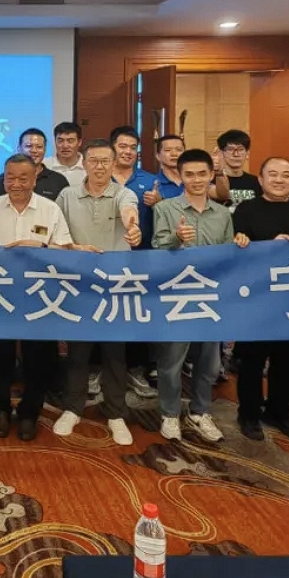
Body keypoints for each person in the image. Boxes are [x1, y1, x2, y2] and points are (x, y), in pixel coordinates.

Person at [0, 154, 74, 441]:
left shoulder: (50, 210)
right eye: (10, 178)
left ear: (35, 178)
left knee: (38, 357)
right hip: (1, 293)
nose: (15, 184)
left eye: (22, 178)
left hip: (39, 293)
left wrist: (39, 246)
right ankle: (0, 410)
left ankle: (30, 413)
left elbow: (65, 249)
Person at [151, 149, 249, 444]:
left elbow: (226, 254)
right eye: (189, 174)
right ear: (180, 176)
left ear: (210, 176)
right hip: (177, 294)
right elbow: (157, 248)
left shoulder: (222, 213)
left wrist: (239, 242)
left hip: (210, 295)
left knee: (210, 363)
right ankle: (169, 414)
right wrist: (176, 239)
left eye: (202, 174)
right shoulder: (165, 208)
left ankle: (200, 411)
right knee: (171, 361)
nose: (196, 180)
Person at [53, 139, 142, 445]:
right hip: (79, 284)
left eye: (106, 161)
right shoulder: (67, 195)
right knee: (77, 352)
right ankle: (73, 408)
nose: (100, 166)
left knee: (114, 353)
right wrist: (74, 247)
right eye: (94, 160)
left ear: (114, 163)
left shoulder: (124, 193)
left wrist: (133, 228)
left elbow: (129, 212)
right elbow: (57, 235)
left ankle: (116, 413)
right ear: (85, 163)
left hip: (115, 285)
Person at [231, 157, 289, 442]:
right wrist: (268, 247)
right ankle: (248, 414)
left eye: (286, 175)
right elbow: (237, 245)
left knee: (287, 361)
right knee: (252, 361)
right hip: (257, 298)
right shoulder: (246, 209)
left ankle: (279, 412)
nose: (280, 180)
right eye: (273, 174)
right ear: (260, 179)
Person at [107, 125, 159, 400]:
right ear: (112, 148)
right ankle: (98, 369)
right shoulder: (98, 176)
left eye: (133, 147)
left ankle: (136, 369)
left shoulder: (150, 180)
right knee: (104, 311)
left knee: (137, 313)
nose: (128, 152)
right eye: (122, 146)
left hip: (141, 257)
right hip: (105, 257)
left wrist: (159, 202)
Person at [0, 128, 70, 201]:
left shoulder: (59, 180)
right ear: (19, 149)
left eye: (39, 147)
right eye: (28, 146)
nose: (34, 150)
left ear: (45, 150)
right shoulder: (3, 179)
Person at [211, 130, 261, 210]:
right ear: (221, 153)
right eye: (230, 149)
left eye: (240, 150)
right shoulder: (211, 179)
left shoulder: (256, 182)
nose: (236, 154)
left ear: (247, 154)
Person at [44, 121, 86, 189]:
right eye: (60, 141)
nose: (65, 146)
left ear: (79, 142)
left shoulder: (89, 166)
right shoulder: (44, 165)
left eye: (70, 141)